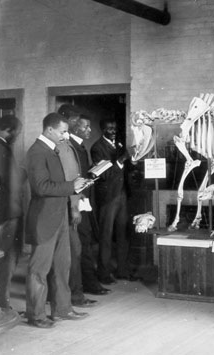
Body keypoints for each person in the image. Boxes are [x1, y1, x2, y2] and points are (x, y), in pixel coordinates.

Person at [25, 113, 88, 328]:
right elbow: (41, 187)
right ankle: (37, 315)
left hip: (60, 215)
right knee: (39, 270)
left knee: (62, 266)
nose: (65, 135)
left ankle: (62, 310)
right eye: (62, 131)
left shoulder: (53, 149)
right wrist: (72, 187)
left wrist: (76, 187)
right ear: (49, 130)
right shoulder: (36, 152)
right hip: (44, 218)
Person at [55, 106, 98, 308]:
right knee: (72, 251)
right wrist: (74, 207)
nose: (71, 127)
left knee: (76, 249)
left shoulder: (68, 147)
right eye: (71, 122)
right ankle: (73, 296)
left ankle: (75, 294)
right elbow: (66, 180)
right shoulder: (59, 148)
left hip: (74, 202)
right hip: (67, 206)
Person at [68, 112, 112, 296]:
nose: (89, 130)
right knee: (82, 242)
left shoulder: (80, 146)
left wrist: (91, 175)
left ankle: (87, 283)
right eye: (85, 127)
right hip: (77, 201)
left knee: (85, 241)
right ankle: (87, 284)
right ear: (74, 126)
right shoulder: (70, 147)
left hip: (83, 198)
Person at [91, 118, 133, 284]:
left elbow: (124, 169)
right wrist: (120, 161)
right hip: (108, 197)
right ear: (102, 129)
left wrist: (132, 162)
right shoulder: (97, 148)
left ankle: (122, 271)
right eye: (109, 128)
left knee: (123, 234)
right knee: (106, 235)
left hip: (122, 195)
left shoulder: (120, 144)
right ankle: (104, 273)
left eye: (114, 127)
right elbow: (104, 175)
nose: (113, 130)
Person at [0, 115, 24, 310]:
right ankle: (3, 304)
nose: (17, 136)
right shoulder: (1, 148)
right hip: (7, 212)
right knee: (7, 257)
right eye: (17, 133)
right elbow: (12, 182)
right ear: (9, 130)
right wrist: (24, 173)